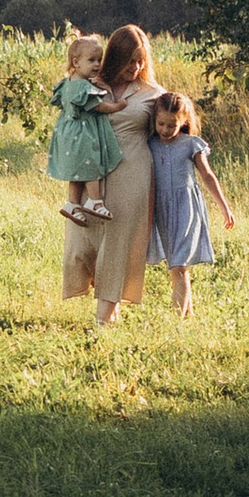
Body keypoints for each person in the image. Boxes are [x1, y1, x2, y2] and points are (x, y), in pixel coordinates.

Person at [61, 23, 166, 326]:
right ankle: (110, 305)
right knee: (84, 241)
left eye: (141, 60)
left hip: (132, 174)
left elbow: (172, 130)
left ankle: (103, 316)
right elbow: (69, 122)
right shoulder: (89, 84)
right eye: (130, 60)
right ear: (115, 57)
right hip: (91, 172)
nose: (136, 67)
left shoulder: (153, 94)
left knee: (119, 244)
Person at [141, 89, 235, 318]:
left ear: (183, 122)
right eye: (161, 123)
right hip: (162, 210)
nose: (165, 129)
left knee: (179, 266)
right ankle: (188, 318)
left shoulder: (191, 144)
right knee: (176, 268)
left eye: (171, 125)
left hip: (186, 208)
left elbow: (207, 176)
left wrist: (225, 208)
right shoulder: (150, 144)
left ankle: (176, 320)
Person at [46, 30, 121, 224]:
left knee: (77, 172)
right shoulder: (83, 87)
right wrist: (118, 106)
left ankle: (72, 203)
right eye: (91, 60)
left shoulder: (68, 83)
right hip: (81, 132)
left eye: (99, 60)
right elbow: (99, 106)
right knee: (91, 163)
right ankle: (95, 201)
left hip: (67, 131)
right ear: (76, 62)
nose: (97, 64)